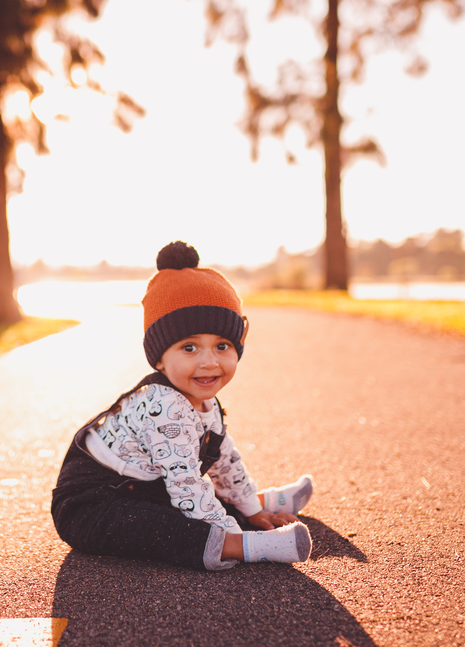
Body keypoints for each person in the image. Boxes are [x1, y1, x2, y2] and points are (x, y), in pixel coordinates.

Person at [50, 241, 315, 571]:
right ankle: (243, 546)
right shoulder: (165, 407)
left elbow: (223, 459)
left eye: (222, 346)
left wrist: (252, 510)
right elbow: (186, 484)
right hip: (92, 505)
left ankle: (261, 501)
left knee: (198, 495)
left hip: (145, 489)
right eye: (189, 348)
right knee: (166, 525)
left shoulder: (205, 400)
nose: (209, 362)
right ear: (160, 359)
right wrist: (235, 530)